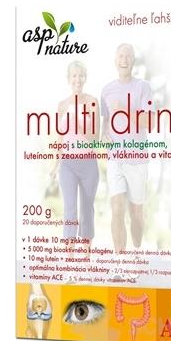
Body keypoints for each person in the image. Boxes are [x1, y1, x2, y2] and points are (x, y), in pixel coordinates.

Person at [101, 43, 155, 253]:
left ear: (133, 61)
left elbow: (149, 122)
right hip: (115, 158)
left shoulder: (143, 87)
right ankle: (120, 261)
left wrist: (123, 109)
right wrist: (103, 137)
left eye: (128, 56)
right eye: (121, 56)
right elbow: (106, 122)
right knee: (117, 209)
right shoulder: (106, 90)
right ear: (115, 60)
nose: (124, 60)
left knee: (136, 215)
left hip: (137, 160)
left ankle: (137, 248)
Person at [50, 61, 100, 259]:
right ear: (68, 79)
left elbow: (95, 138)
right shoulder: (62, 106)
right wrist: (55, 164)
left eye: (81, 75)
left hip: (88, 163)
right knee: (70, 209)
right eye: (74, 76)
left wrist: (80, 124)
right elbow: (60, 139)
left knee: (87, 209)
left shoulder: (92, 102)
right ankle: (70, 260)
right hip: (68, 164)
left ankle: (86, 260)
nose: (77, 79)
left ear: (85, 78)